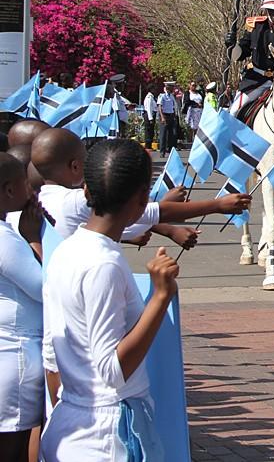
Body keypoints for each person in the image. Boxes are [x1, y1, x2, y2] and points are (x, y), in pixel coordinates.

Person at [40, 140, 175, 461]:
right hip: (107, 434)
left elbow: (50, 355)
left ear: (86, 190)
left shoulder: (67, 250)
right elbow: (112, 370)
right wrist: (160, 297)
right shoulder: (103, 264)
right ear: (143, 199)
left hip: (75, 422)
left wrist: (70, 406)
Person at [32, 128, 248, 248]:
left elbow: (118, 219)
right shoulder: (73, 201)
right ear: (76, 166)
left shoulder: (39, 199)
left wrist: (128, 235)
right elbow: (148, 212)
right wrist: (218, 204)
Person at [0, 153, 41, 461]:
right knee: (12, 448)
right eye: (26, 184)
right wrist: (34, 240)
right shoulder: (6, 239)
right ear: (9, 191)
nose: (32, 191)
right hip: (13, 356)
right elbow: (45, 288)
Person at [157, 82, 179, 157]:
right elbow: (160, 106)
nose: (173, 89)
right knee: (163, 134)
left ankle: (170, 150)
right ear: (167, 88)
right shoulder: (162, 96)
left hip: (171, 116)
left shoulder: (172, 96)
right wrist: (162, 117)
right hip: (165, 116)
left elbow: (174, 106)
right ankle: (162, 151)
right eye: (171, 87)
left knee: (172, 134)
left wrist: (175, 116)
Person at [142, 86, 157, 151]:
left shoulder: (152, 97)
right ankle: (147, 146)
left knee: (151, 131)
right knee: (148, 130)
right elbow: (149, 109)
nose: (155, 90)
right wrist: (150, 118)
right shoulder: (149, 98)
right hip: (148, 115)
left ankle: (149, 145)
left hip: (151, 115)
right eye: (154, 89)